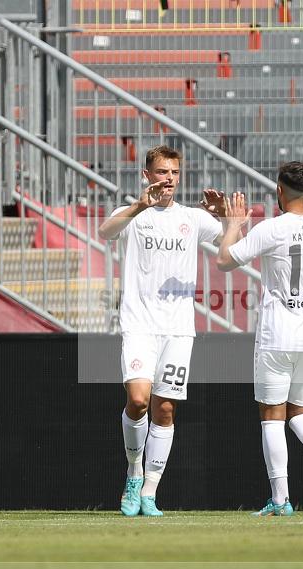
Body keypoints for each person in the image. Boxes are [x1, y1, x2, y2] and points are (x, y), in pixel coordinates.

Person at [97, 145, 233, 517]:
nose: (168, 179)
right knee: (138, 400)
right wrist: (139, 206)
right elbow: (105, 231)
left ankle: (150, 493)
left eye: (173, 172)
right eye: (161, 172)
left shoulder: (191, 218)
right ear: (147, 175)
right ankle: (133, 472)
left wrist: (227, 220)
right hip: (139, 324)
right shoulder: (134, 215)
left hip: (177, 330)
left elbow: (228, 252)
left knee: (166, 409)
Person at [217, 161, 303, 516]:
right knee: (301, 413)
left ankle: (280, 500)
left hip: (277, 336)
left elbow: (226, 260)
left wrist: (232, 226)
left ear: (279, 190)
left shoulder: (271, 229)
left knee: (272, 417)